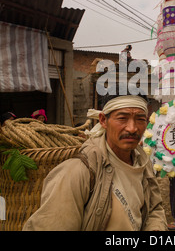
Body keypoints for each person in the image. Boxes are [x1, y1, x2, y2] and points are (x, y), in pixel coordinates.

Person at [23, 93, 167, 231]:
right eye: (122, 118)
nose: (132, 128)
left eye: (140, 119)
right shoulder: (78, 171)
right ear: (103, 120)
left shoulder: (142, 162)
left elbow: (155, 208)